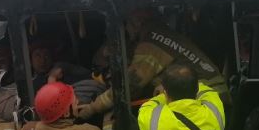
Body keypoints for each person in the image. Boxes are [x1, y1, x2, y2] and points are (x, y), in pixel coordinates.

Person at [78, 9, 228, 119]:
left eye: (126, 24)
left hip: (206, 103)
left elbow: (130, 85)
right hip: (212, 99)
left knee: (112, 115)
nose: (126, 29)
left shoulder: (152, 42)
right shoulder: (161, 34)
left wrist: (91, 109)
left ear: (136, 22)